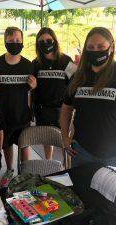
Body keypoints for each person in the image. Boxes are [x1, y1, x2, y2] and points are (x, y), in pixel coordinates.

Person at [60, 27, 116, 169]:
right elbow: (66, 108)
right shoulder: (78, 77)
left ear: (111, 47)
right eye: (91, 47)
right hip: (81, 152)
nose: (95, 50)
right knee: (80, 191)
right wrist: (64, 137)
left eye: (101, 46)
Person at [0, 26, 37, 187]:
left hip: (22, 114)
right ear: (5, 42)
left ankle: (26, 171)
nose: (14, 43)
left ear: (22, 41)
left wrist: (34, 86)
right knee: (6, 145)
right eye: (11, 40)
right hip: (2, 115)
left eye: (17, 40)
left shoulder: (28, 65)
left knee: (24, 144)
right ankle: (9, 170)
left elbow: (33, 88)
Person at [32, 27, 75, 160]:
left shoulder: (65, 61)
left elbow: (76, 82)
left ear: (55, 41)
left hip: (63, 109)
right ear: (38, 44)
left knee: (65, 140)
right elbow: (32, 87)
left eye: (49, 40)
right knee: (47, 139)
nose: (46, 43)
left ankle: (66, 166)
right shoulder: (36, 63)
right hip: (43, 108)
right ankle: (48, 162)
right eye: (42, 41)